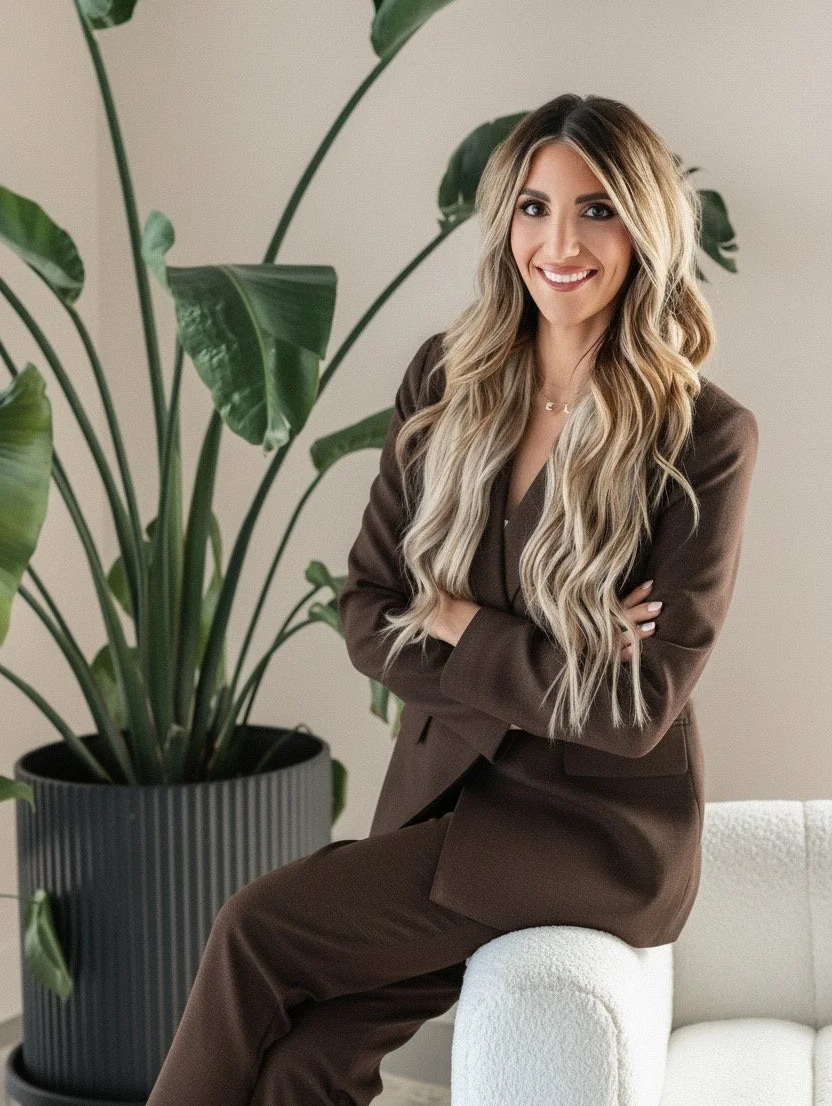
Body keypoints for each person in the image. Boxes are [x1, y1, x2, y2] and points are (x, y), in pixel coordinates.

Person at [146, 94, 759, 1105]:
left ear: (642, 225)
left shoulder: (703, 438)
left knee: (256, 927)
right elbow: (367, 609)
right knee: (307, 1062)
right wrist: (554, 648)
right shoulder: (448, 379)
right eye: (532, 207)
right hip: (444, 807)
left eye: (595, 209)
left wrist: (464, 624)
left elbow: (633, 708)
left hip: (589, 838)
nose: (558, 242)